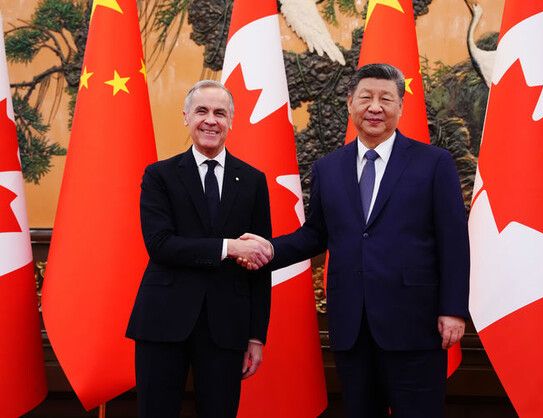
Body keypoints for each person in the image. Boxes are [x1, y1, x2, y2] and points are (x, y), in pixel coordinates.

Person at [242, 63, 470, 418]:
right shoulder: (328, 168)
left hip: (415, 323)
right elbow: (316, 234)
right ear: (350, 103)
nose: (374, 107)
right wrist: (268, 249)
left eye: (385, 99)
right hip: (352, 325)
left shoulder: (434, 163)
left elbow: (453, 240)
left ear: (400, 106)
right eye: (366, 97)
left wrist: (453, 309)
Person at [126, 80, 273, 418]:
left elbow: (260, 260)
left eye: (220, 113)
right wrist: (228, 247)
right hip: (164, 320)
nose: (210, 120)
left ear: (231, 121)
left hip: (227, 325)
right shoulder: (159, 176)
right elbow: (161, 245)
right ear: (186, 117)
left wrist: (256, 335)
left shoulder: (253, 180)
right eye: (201, 111)